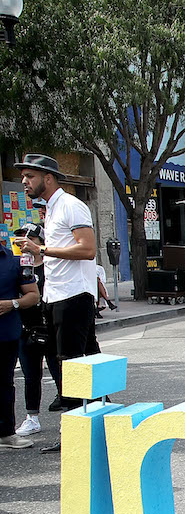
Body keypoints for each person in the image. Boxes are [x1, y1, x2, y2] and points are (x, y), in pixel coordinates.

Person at [13, 155, 100, 427]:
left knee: (71, 367)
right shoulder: (51, 209)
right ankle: (99, 424)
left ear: (48, 178)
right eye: (23, 177)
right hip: (57, 295)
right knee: (81, 363)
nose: (24, 182)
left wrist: (41, 249)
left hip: (73, 296)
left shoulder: (71, 206)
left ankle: (76, 434)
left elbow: (88, 249)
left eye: (30, 176)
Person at [0, 241, 40, 449]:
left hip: (5, 334)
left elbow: (33, 295)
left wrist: (12, 304)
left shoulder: (14, 262)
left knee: (4, 384)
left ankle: (6, 433)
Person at [14, 224, 49, 438]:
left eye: (30, 238)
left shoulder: (50, 265)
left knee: (59, 372)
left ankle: (69, 412)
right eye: (20, 238)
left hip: (49, 326)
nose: (24, 242)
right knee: (30, 375)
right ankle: (32, 416)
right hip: (26, 328)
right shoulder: (18, 266)